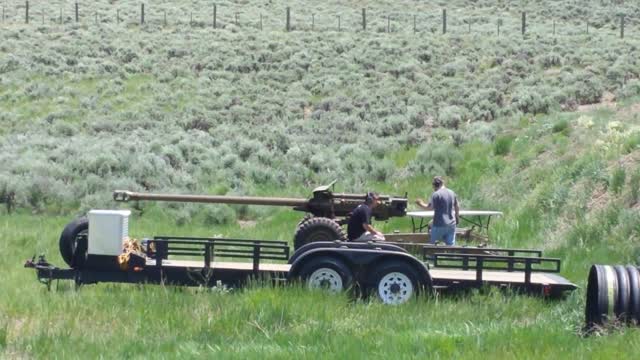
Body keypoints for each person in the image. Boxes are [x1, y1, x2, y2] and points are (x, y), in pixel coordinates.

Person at [416, 176, 460, 246]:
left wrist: (420, 203)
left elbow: (430, 207)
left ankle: (432, 256)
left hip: (439, 224)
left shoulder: (436, 194)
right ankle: (450, 256)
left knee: (433, 246)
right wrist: (457, 217)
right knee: (450, 246)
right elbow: (457, 206)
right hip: (452, 223)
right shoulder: (452, 192)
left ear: (435, 185)